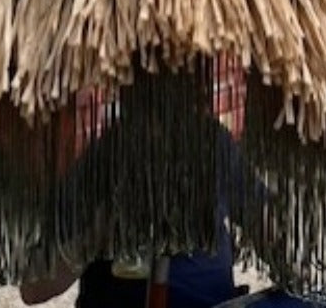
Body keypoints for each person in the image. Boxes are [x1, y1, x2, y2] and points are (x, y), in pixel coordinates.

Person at [19, 78, 252, 308]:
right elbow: (32, 290)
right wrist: (94, 237)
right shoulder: (101, 163)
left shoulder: (213, 146)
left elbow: (267, 222)